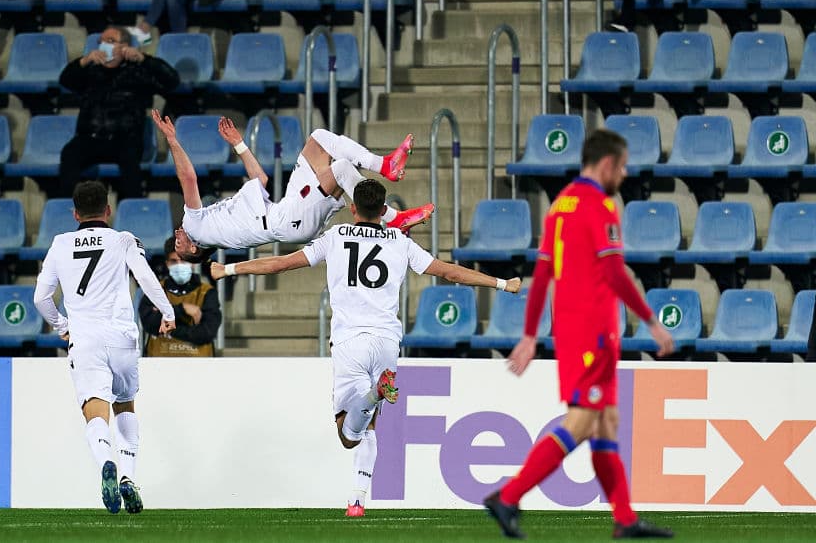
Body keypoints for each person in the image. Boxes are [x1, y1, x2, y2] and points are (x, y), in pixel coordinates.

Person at [209, 179, 521, 517]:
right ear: (384, 209)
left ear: (353, 208)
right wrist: (502, 283)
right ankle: (357, 499)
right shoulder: (401, 242)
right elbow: (450, 273)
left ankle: (373, 395)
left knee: (349, 435)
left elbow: (281, 263)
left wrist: (228, 268)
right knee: (370, 425)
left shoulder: (335, 237)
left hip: (350, 342)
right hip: (387, 342)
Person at [483, 129, 676, 540]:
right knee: (583, 421)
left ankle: (625, 519)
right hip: (595, 333)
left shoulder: (560, 205)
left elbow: (542, 275)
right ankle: (508, 496)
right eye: (622, 167)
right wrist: (651, 320)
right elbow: (614, 273)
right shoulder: (600, 206)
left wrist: (531, 334)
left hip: (572, 332)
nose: (624, 175)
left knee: (606, 422)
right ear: (606, 164)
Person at [33, 181, 177, 514]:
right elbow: (146, 277)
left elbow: (41, 298)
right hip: (121, 335)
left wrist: (62, 326)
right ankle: (128, 477)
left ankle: (106, 463)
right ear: (108, 210)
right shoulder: (123, 239)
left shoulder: (60, 244)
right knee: (125, 405)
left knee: (94, 409)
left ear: (75, 214)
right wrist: (167, 313)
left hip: (85, 339)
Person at [152, 109, 436, 263]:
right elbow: (188, 178)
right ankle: (392, 218)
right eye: (178, 246)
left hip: (285, 209)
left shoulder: (213, 221)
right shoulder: (196, 227)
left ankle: (384, 165)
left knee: (319, 139)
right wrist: (173, 141)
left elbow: (260, 180)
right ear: (193, 249)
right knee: (340, 169)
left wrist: (239, 144)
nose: (177, 237)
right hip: (288, 221)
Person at [58, 26, 180, 200]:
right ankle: (72, 208)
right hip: (90, 138)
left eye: (110, 41)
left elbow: (172, 80)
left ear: (124, 46)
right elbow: (65, 80)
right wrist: (84, 60)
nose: (103, 46)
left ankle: (130, 211)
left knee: (130, 166)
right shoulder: (91, 71)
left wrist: (144, 59)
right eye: (101, 42)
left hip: (125, 139)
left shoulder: (138, 72)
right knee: (70, 153)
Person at [138, 236, 222, 356]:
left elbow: (206, 333)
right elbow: (149, 324)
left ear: (193, 262)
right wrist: (182, 309)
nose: (179, 265)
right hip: (158, 365)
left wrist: (166, 324)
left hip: (199, 365)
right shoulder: (154, 290)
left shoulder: (207, 292)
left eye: (183, 260)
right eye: (174, 261)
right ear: (167, 264)